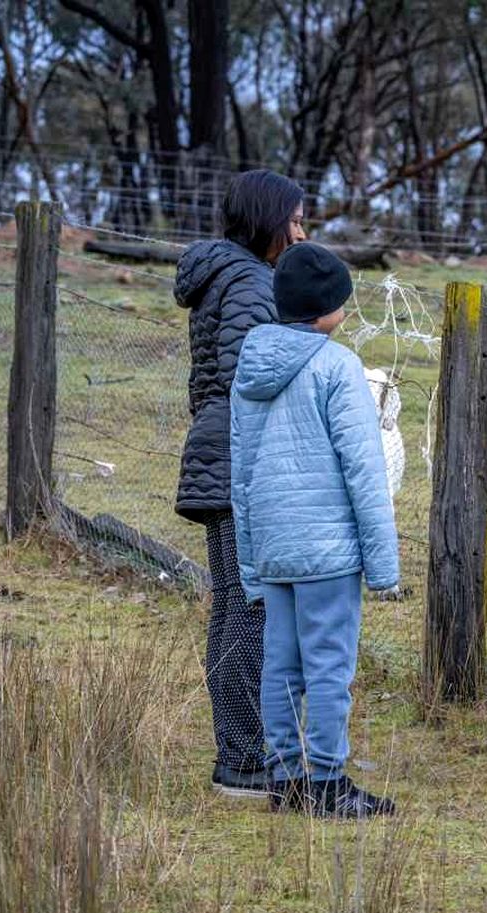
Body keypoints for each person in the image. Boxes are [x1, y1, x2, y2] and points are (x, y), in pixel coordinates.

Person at [230, 242, 400, 818]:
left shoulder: (250, 367)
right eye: (341, 303)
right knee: (330, 666)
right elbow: (364, 467)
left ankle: (283, 779)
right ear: (326, 310)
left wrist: (251, 558)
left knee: (280, 666)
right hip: (328, 551)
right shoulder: (337, 367)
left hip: (276, 547)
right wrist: (383, 565)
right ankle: (326, 781)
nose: (346, 312)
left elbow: (241, 470)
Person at [174, 170, 307, 798]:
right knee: (250, 608)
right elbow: (251, 379)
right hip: (237, 462)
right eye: (297, 220)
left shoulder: (219, 277)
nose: (302, 233)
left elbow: (211, 380)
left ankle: (240, 748)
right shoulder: (255, 281)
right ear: (268, 220)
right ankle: (244, 756)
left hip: (213, 453)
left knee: (232, 602)